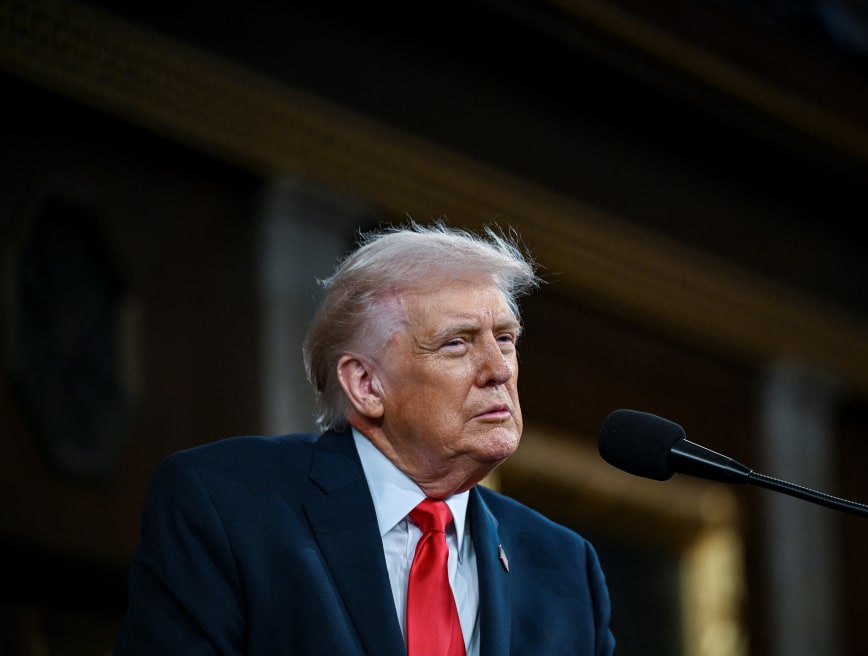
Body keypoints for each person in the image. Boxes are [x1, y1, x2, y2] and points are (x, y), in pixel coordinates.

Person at [113, 222, 616, 655]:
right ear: (366, 385)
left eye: (505, 339)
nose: (498, 370)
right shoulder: (226, 506)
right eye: (457, 343)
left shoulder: (565, 569)